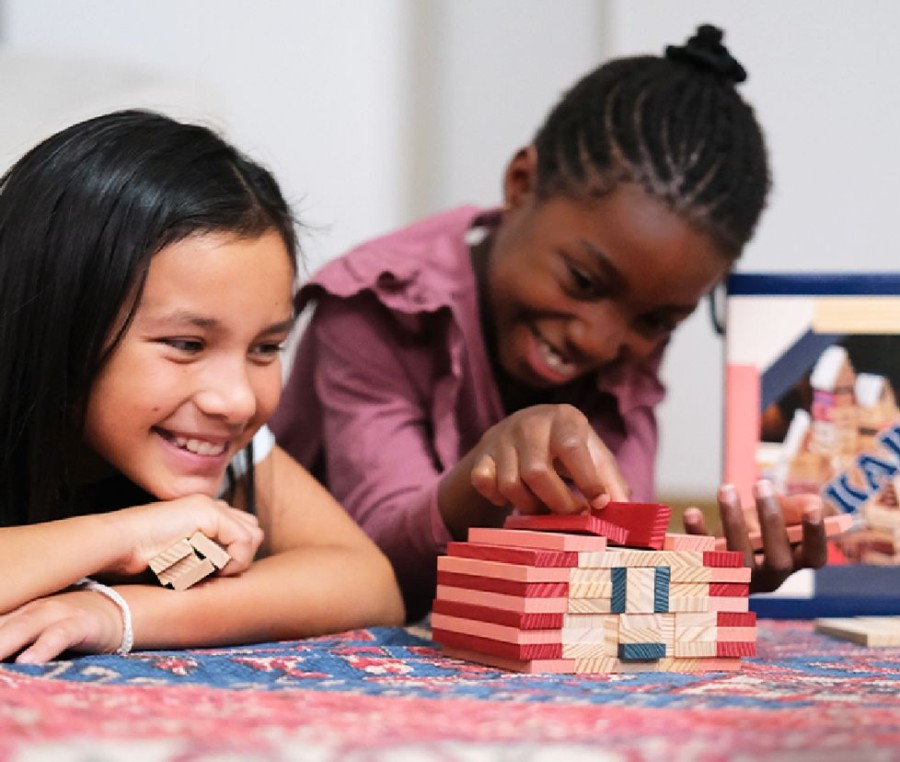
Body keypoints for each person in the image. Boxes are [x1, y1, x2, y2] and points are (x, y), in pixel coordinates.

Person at [271, 25, 828, 621]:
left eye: (657, 321)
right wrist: (485, 471)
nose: (599, 340)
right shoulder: (377, 305)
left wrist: (710, 570)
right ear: (520, 185)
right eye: (584, 283)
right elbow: (384, 569)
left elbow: (610, 559)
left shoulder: (629, 339)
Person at [0, 110, 404, 664]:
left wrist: (117, 612)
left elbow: (366, 583)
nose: (236, 400)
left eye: (265, 348)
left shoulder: (210, 441)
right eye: (186, 345)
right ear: (58, 323)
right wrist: (125, 534)